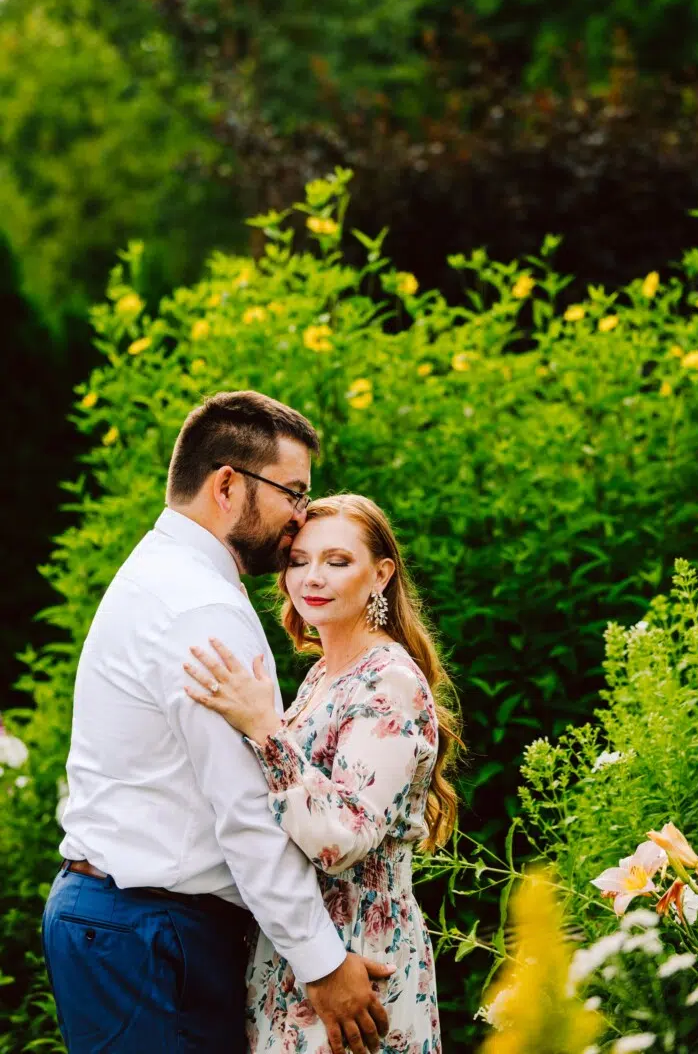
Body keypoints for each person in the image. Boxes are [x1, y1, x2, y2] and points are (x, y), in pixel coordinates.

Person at [42, 391, 393, 1054]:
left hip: (123, 922)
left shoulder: (163, 574)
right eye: (294, 493)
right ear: (227, 485)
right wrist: (322, 963)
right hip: (151, 934)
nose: (302, 515)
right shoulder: (199, 608)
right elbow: (247, 809)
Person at [183, 493, 461, 1053]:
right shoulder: (322, 676)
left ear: (380, 575)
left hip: (360, 954)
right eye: (299, 561)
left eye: (337, 561)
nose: (313, 577)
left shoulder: (388, 680)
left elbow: (340, 841)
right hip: (301, 948)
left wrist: (266, 729)